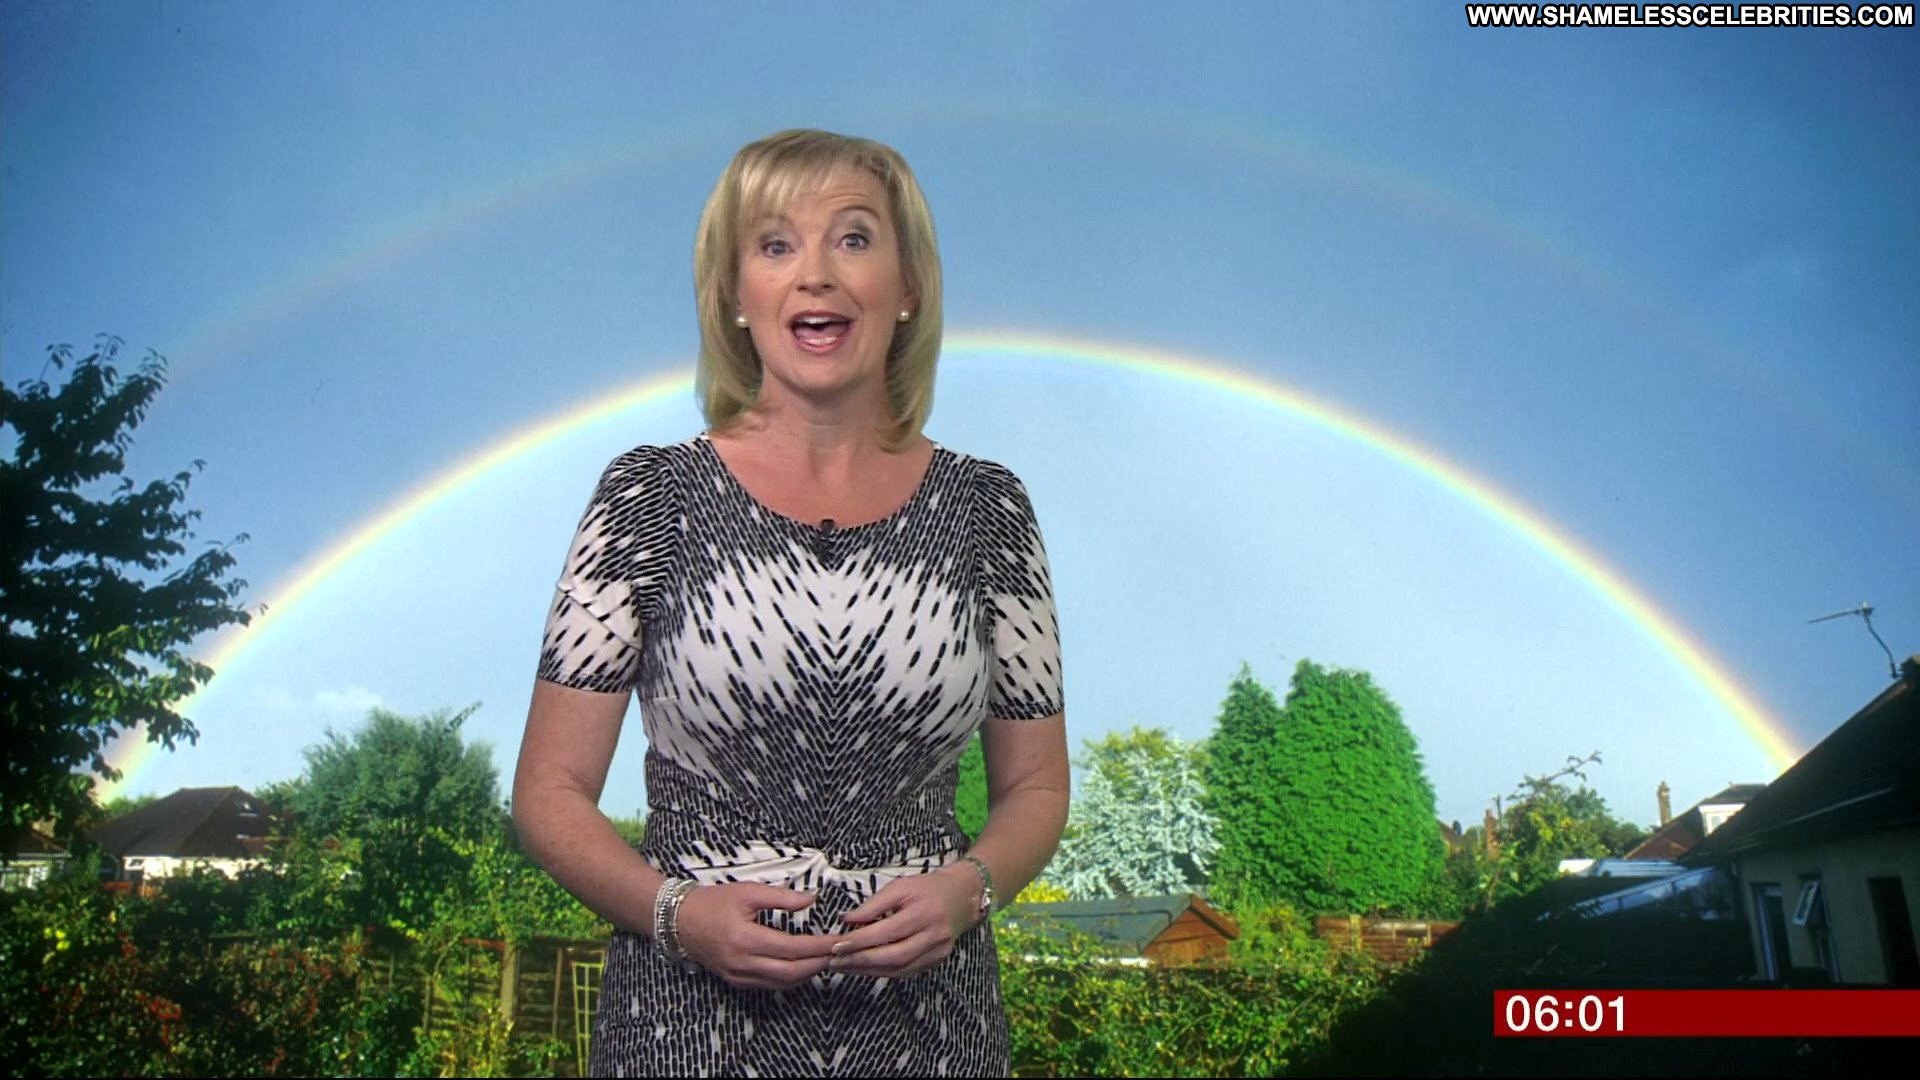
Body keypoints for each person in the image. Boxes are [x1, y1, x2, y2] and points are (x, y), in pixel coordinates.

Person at [511, 129, 1070, 1077]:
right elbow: (547, 794)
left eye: (853, 239)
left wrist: (969, 890)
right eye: (775, 245)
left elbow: (1038, 789)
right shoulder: (646, 497)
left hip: (936, 1040)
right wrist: (678, 916)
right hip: (683, 1037)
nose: (815, 273)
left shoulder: (991, 509)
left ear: (909, 286)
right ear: (735, 295)